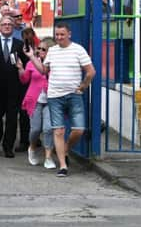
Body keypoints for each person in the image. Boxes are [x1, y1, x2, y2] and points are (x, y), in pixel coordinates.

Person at [26, 22, 96, 177]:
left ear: (69, 34)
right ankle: (63, 166)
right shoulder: (52, 51)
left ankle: (64, 149)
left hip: (74, 95)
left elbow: (90, 72)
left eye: (62, 34)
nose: (59, 37)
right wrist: (31, 57)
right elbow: (44, 70)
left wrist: (83, 86)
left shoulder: (78, 50)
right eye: (57, 34)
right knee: (58, 130)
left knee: (79, 130)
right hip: (54, 96)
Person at [0, 16, 27, 158]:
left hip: (13, 89)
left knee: (12, 119)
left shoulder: (20, 45)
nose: (7, 26)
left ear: (13, 26)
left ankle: (8, 146)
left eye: (10, 24)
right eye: (4, 24)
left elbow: (26, 66)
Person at [17, 38, 56, 169]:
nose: (39, 51)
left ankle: (48, 157)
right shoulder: (32, 63)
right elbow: (24, 80)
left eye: (43, 49)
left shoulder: (55, 64)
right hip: (35, 100)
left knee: (48, 129)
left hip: (51, 101)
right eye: (38, 48)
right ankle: (32, 147)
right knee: (35, 129)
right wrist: (21, 69)